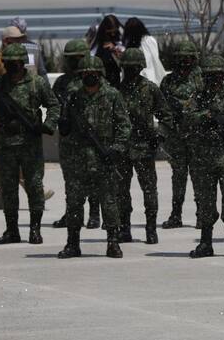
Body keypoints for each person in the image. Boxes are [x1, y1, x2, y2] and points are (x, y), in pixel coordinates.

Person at [56, 56, 130, 260]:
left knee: (109, 203)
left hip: (103, 159)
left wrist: (116, 149)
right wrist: (64, 123)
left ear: (100, 74)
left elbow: (124, 126)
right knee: (74, 203)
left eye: (93, 73)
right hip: (78, 160)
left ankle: (113, 242)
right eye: (85, 74)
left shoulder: (112, 95)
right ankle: (73, 243)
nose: (89, 76)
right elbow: (64, 130)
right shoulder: (73, 98)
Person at [0, 43, 59, 246]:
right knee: (9, 189)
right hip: (6, 143)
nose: (12, 66)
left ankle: (35, 230)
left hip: (30, 143)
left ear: (23, 62)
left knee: (35, 187)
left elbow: (53, 105)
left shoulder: (36, 83)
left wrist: (47, 125)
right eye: (8, 62)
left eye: (16, 62)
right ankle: (12, 230)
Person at [187, 55, 224, 259]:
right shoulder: (198, 96)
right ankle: (206, 243)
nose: (214, 80)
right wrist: (207, 116)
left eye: (217, 75)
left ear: (223, 76)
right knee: (206, 202)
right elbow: (189, 118)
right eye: (210, 76)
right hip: (204, 159)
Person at [116, 47, 165, 245]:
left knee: (149, 190)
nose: (131, 71)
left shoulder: (151, 89)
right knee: (121, 191)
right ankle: (124, 228)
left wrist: (159, 135)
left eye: (134, 67)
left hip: (145, 147)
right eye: (127, 68)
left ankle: (151, 229)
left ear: (141, 67)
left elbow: (166, 115)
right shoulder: (116, 91)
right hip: (122, 148)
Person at [51, 39, 100, 229]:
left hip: (90, 137)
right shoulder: (62, 82)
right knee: (70, 179)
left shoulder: (93, 80)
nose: (73, 62)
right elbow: (53, 105)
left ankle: (94, 214)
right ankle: (71, 213)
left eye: (77, 58)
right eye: (70, 59)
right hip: (69, 139)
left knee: (93, 177)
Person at [158, 39, 202, 230]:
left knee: (199, 176)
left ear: (194, 59)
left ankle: (202, 214)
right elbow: (161, 108)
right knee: (178, 176)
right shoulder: (168, 81)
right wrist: (171, 119)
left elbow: (210, 104)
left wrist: (192, 114)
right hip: (176, 137)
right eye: (181, 58)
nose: (184, 62)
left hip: (197, 136)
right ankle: (176, 215)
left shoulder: (201, 79)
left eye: (188, 58)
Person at [122, 17, 164, 84]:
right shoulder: (149, 40)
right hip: (148, 77)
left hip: (147, 77)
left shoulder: (147, 41)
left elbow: (150, 63)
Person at [92, 14, 123, 88]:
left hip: (115, 75)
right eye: (109, 32)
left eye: (114, 32)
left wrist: (115, 49)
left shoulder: (120, 37)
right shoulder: (97, 38)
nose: (112, 34)